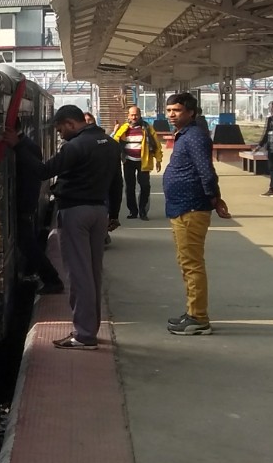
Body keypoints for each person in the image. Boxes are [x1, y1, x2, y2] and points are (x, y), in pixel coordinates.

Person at [10, 105, 121, 349]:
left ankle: (84, 335)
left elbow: (43, 171)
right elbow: (117, 182)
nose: (60, 135)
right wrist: (113, 214)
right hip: (99, 213)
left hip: (75, 213)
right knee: (93, 272)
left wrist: (18, 144)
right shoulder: (111, 144)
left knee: (79, 274)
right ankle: (90, 329)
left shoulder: (75, 146)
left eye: (61, 130)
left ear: (71, 123)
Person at [162, 91, 230, 335]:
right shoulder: (185, 135)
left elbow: (206, 171)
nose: (171, 115)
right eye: (169, 110)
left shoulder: (194, 137)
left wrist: (215, 198)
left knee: (192, 264)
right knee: (187, 262)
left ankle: (198, 318)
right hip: (181, 207)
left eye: (177, 110)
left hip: (190, 207)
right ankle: (193, 312)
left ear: (191, 112)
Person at [14, 130, 63, 293]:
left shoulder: (27, 147)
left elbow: (36, 175)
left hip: (23, 206)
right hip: (24, 205)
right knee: (27, 243)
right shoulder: (27, 145)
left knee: (27, 244)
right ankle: (49, 278)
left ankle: (52, 279)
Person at [110, 104, 162, 219]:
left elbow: (156, 144)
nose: (134, 117)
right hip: (128, 161)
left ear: (140, 115)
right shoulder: (124, 128)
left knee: (145, 186)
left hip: (144, 161)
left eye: (136, 115)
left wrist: (158, 159)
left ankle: (143, 211)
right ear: (128, 116)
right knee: (130, 187)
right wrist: (115, 131)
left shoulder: (148, 128)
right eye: (132, 115)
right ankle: (133, 211)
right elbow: (114, 142)